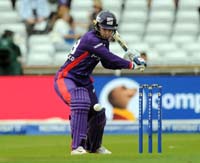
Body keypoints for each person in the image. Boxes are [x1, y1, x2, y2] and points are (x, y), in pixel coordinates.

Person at [54, 10, 146, 155]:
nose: (108, 33)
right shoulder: (91, 39)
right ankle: (77, 147)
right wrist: (131, 64)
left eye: (111, 30)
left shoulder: (103, 41)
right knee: (80, 102)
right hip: (67, 78)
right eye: (105, 29)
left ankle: (94, 146)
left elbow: (107, 64)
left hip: (84, 80)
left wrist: (127, 60)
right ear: (97, 26)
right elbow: (108, 57)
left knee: (98, 113)